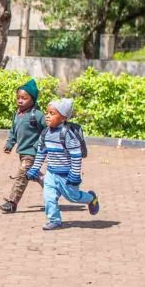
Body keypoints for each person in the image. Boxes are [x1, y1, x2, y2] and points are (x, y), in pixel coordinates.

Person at [26, 98, 100, 230]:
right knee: (48, 197)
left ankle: (91, 198)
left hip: (67, 175)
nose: (47, 116)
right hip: (51, 173)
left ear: (63, 118)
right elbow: (41, 153)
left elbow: (76, 156)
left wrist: (74, 175)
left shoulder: (67, 134)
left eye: (52, 113)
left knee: (73, 197)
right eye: (47, 113)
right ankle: (54, 220)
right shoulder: (45, 133)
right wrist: (35, 169)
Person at [0, 79, 46, 214]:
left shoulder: (37, 115)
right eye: (18, 98)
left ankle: (12, 202)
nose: (20, 101)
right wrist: (9, 144)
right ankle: (52, 187)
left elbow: (47, 131)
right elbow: (13, 131)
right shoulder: (17, 114)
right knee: (34, 174)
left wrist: (38, 145)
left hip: (32, 152)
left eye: (24, 98)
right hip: (22, 152)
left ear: (32, 99)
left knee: (22, 175)